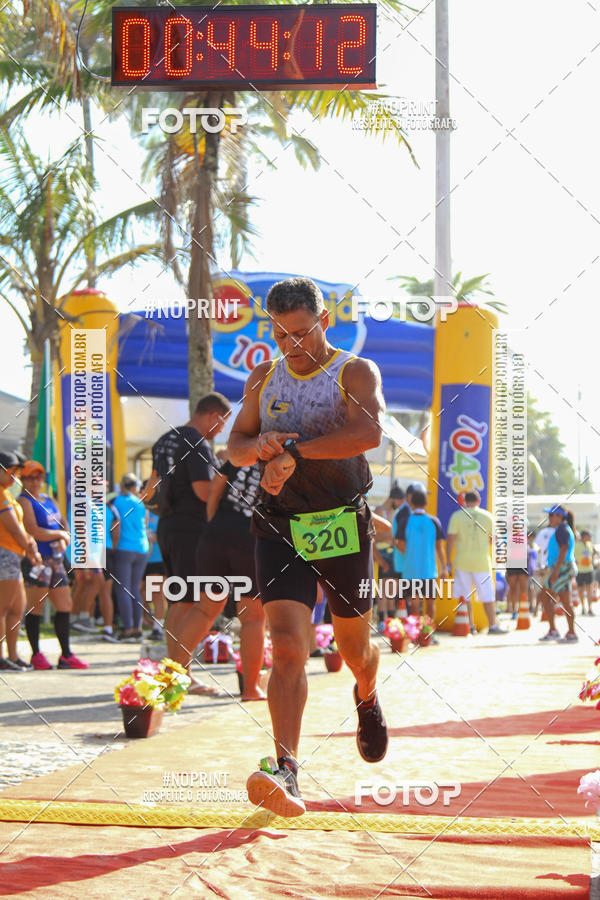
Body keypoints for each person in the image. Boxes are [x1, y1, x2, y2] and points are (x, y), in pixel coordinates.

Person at [228, 276, 387, 817]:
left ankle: (366, 691)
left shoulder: (353, 371)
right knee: (289, 646)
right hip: (279, 525)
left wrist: (294, 447)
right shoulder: (261, 379)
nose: (292, 345)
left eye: (302, 333)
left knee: (352, 651)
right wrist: (261, 445)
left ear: (324, 322)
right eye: (281, 335)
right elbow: (236, 446)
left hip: (342, 522)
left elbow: (368, 434)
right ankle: (287, 771)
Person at [146, 392, 231, 692]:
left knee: (179, 601)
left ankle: (177, 672)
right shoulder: (197, 442)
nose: (221, 430)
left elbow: (149, 490)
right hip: (191, 528)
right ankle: (178, 675)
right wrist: (226, 489)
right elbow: (202, 491)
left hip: (167, 526)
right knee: (193, 601)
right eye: (222, 423)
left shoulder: (163, 440)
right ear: (213, 415)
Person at [170, 460, 267, 699]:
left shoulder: (241, 451)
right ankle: (251, 688)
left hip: (215, 535)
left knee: (204, 609)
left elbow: (216, 488)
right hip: (252, 538)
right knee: (253, 618)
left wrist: (214, 523)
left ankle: (172, 679)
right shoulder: (286, 454)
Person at [18, 459, 88, 669]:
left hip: (56, 559)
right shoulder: (24, 501)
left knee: (64, 605)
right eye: (30, 477)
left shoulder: (48, 499)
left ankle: (66, 654)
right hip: (37, 559)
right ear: (22, 479)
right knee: (36, 607)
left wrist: (63, 532)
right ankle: (36, 654)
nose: (36, 481)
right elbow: (33, 530)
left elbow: (62, 521)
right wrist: (60, 534)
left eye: (39, 476)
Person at [0, 451, 40, 670]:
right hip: (5, 553)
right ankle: (2, 657)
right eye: (10, 471)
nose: (13, 475)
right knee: (3, 608)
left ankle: (12, 656)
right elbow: (14, 528)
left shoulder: (6, 493)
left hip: (15, 554)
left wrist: (29, 546)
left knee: (17, 608)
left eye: (15, 471)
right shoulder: (0, 494)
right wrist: (31, 545)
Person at [446, 490, 506, 636]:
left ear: (464, 501)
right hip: (481, 561)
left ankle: (469, 625)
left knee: (464, 596)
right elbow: (494, 540)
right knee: (487, 595)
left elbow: (451, 539)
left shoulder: (457, 516)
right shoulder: (488, 516)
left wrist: (448, 560)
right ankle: (492, 625)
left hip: (462, 561)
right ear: (479, 501)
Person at [394, 488, 446, 634]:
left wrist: (411, 553)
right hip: (429, 569)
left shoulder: (405, 521)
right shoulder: (434, 521)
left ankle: (414, 633)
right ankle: (428, 632)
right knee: (430, 602)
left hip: (410, 570)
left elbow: (399, 544)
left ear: (411, 503)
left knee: (414, 603)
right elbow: (439, 547)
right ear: (426, 503)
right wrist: (444, 568)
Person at [111, 474, 149, 641]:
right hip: (142, 547)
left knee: (123, 589)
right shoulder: (140, 502)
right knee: (135, 589)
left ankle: (127, 629)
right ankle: (137, 627)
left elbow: (114, 525)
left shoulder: (116, 502)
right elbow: (145, 523)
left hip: (124, 547)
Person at [539, 505, 578, 642]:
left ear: (559, 516)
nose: (549, 518)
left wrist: (556, 571)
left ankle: (558, 631)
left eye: (551, 515)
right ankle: (566, 632)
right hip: (562, 567)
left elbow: (564, 548)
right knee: (562, 601)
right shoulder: (562, 529)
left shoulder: (562, 529)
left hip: (562, 568)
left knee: (545, 597)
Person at [374, 485, 404, 628]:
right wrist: (390, 536)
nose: (399, 505)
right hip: (382, 553)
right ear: (393, 499)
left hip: (393, 553)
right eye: (399, 501)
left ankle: (390, 619)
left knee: (392, 588)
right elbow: (375, 534)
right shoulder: (380, 510)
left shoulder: (395, 513)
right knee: (383, 587)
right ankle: (381, 618)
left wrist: (391, 537)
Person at [100, 493, 121, 642]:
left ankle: (106, 625)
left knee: (100, 588)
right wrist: (113, 547)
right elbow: (116, 529)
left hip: (96, 550)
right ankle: (107, 625)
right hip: (104, 550)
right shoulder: (110, 507)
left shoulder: (82, 504)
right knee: (104, 589)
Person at [574, 529, 594, 616]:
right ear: (584, 536)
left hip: (589, 570)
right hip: (580, 571)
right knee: (581, 590)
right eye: (588, 535)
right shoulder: (577, 544)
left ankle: (590, 608)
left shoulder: (590, 544)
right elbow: (572, 555)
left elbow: (591, 554)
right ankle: (583, 607)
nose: (590, 537)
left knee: (589, 590)